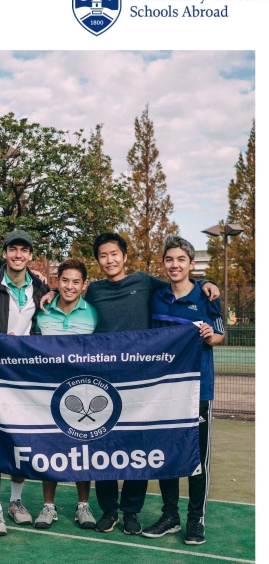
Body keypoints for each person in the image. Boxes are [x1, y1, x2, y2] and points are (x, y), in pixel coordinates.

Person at [39, 232, 219, 536]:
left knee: (139, 446)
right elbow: (68, 297)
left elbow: (179, 282)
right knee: (106, 446)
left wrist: (205, 282)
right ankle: (109, 510)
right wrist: (49, 294)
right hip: (103, 383)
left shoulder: (144, 282)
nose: (109, 260)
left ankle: (131, 511)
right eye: (103, 256)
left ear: (124, 255)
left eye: (114, 254)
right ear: (99, 261)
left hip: (142, 384)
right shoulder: (93, 290)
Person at [141, 235, 224, 545]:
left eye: (180, 260)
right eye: (169, 259)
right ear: (163, 264)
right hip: (165, 391)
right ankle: (170, 516)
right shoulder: (156, 297)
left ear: (191, 264)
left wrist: (208, 335)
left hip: (198, 390)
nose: (174, 265)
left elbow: (219, 335)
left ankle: (195, 519)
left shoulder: (206, 296)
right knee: (167, 455)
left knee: (196, 458)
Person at [0, 230, 50, 536]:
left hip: (27, 379)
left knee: (23, 440)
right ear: (4, 253)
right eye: (12, 249)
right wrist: (7, 345)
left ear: (30, 255)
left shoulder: (42, 287)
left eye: (24, 250)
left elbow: (44, 330)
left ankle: (16, 502)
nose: (18, 255)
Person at [33, 258, 98, 530]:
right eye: (64, 280)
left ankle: (83, 505)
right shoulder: (42, 312)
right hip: (48, 394)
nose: (69, 286)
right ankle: (49, 506)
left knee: (83, 450)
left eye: (76, 282)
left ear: (84, 285)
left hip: (83, 392)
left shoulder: (94, 313)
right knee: (51, 450)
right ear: (56, 282)